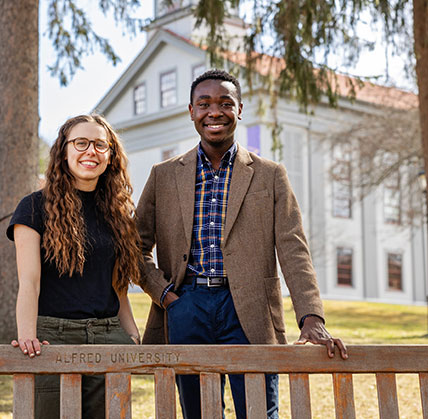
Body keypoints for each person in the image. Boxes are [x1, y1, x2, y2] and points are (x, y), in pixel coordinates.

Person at [136, 69, 348, 419]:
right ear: (191, 111)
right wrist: (165, 295)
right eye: (204, 104)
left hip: (250, 310)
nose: (214, 112)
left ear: (239, 109)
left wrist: (310, 316)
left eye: (225, 103)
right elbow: (135, 246)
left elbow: (293, 248)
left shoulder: (270, 174)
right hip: (186, 307)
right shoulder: (164, 175)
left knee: (259, 414)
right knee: (200, 414)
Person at [7, 114, 142, 419]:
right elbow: (29, 282)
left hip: (108, 337)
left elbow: (116, 284)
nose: (90, 151)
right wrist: (27, 334)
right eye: (81, 143)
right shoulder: (33, 207)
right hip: (52, 338)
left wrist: (130, 332)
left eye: (100, 145)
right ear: (64, 150)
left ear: (111, 156)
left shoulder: (118, 214)